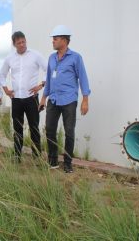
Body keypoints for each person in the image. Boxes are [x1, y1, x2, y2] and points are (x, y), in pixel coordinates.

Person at [39, 25, 91, 173]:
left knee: (69, 132)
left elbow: (83, 78)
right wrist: (43, 98)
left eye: (55, 39)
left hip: (69, 100)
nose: (52, 42)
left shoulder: (76, 57)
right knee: (49, 130)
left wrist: (85, 100)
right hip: (53, 100)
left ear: (64, 40)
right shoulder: (51, 58)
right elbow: (49, 79)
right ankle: (53, 160)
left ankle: (68, 163)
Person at [0, 31, 47, 162]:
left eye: (23, 41)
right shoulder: (9, 58)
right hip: (16, 99)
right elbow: (1, 75)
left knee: (34, 128)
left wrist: (41, 85)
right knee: (17, 128)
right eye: (19, 43)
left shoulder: (35, 55)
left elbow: (48, 69)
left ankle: (37, 157)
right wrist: (6, 91)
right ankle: (16, 155)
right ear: (14, 44)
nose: (22, 44)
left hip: (32, 98)